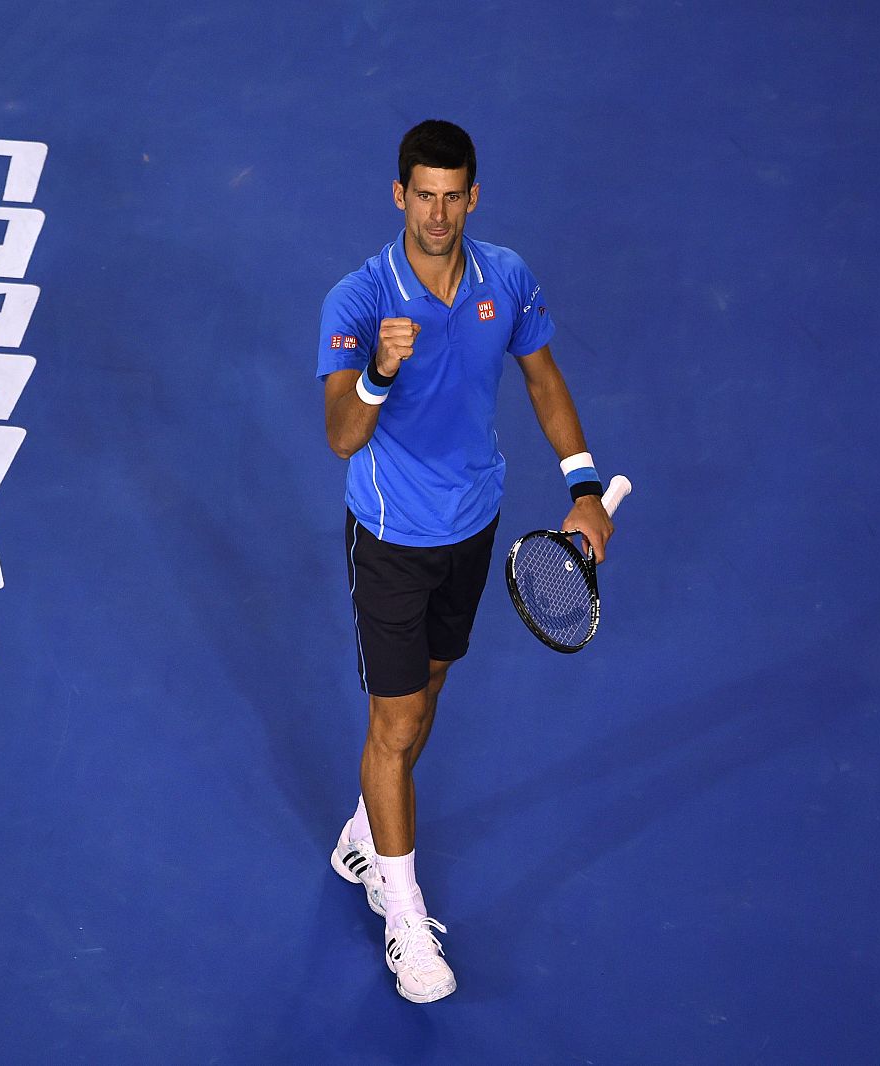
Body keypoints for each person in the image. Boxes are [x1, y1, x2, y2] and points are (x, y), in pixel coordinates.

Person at [316, 119, 613, 1003]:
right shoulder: (359, 300)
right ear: (398, 196)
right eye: (424, 196)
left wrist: (585, 485)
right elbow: (339, 438)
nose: (438, 213)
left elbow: (543, 377)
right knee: (397, 726)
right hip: (391, 535)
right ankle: (404, 916)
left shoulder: (506, 278)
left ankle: (366, 831)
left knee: (431, 687)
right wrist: (377, 372)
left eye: (454, 197)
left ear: (471, 198)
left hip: (474, 523)